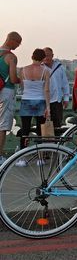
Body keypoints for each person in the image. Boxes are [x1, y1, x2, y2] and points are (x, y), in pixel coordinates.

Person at [16, 49, 51, 167]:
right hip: (40, 101)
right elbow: (46, 90)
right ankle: (40, 159)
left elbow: (22, 86)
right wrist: (48, 107)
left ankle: (22, 159)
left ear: (32, 56)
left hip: (26, 100)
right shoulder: (45, 71)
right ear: (42, 59)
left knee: (25, 130)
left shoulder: (23, 70)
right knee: (40, 131)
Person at [0, 32, 22, 165]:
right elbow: (13, 78)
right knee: (2, 126)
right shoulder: (11, 57)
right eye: (18, 43)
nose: (18, 46)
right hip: (6, 92)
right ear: (12, 40)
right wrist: (22, 79)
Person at [43, 47, 70, 131]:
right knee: (44, 127)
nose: (46, 58)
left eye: (48, 55)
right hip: (44, 101)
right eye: (44, 56)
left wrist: (66, 98)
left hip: (57, 101)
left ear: (52, 56)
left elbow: (65, 84)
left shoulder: (59, 67)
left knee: (57, 126)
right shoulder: (40, 68)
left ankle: (56, 143)